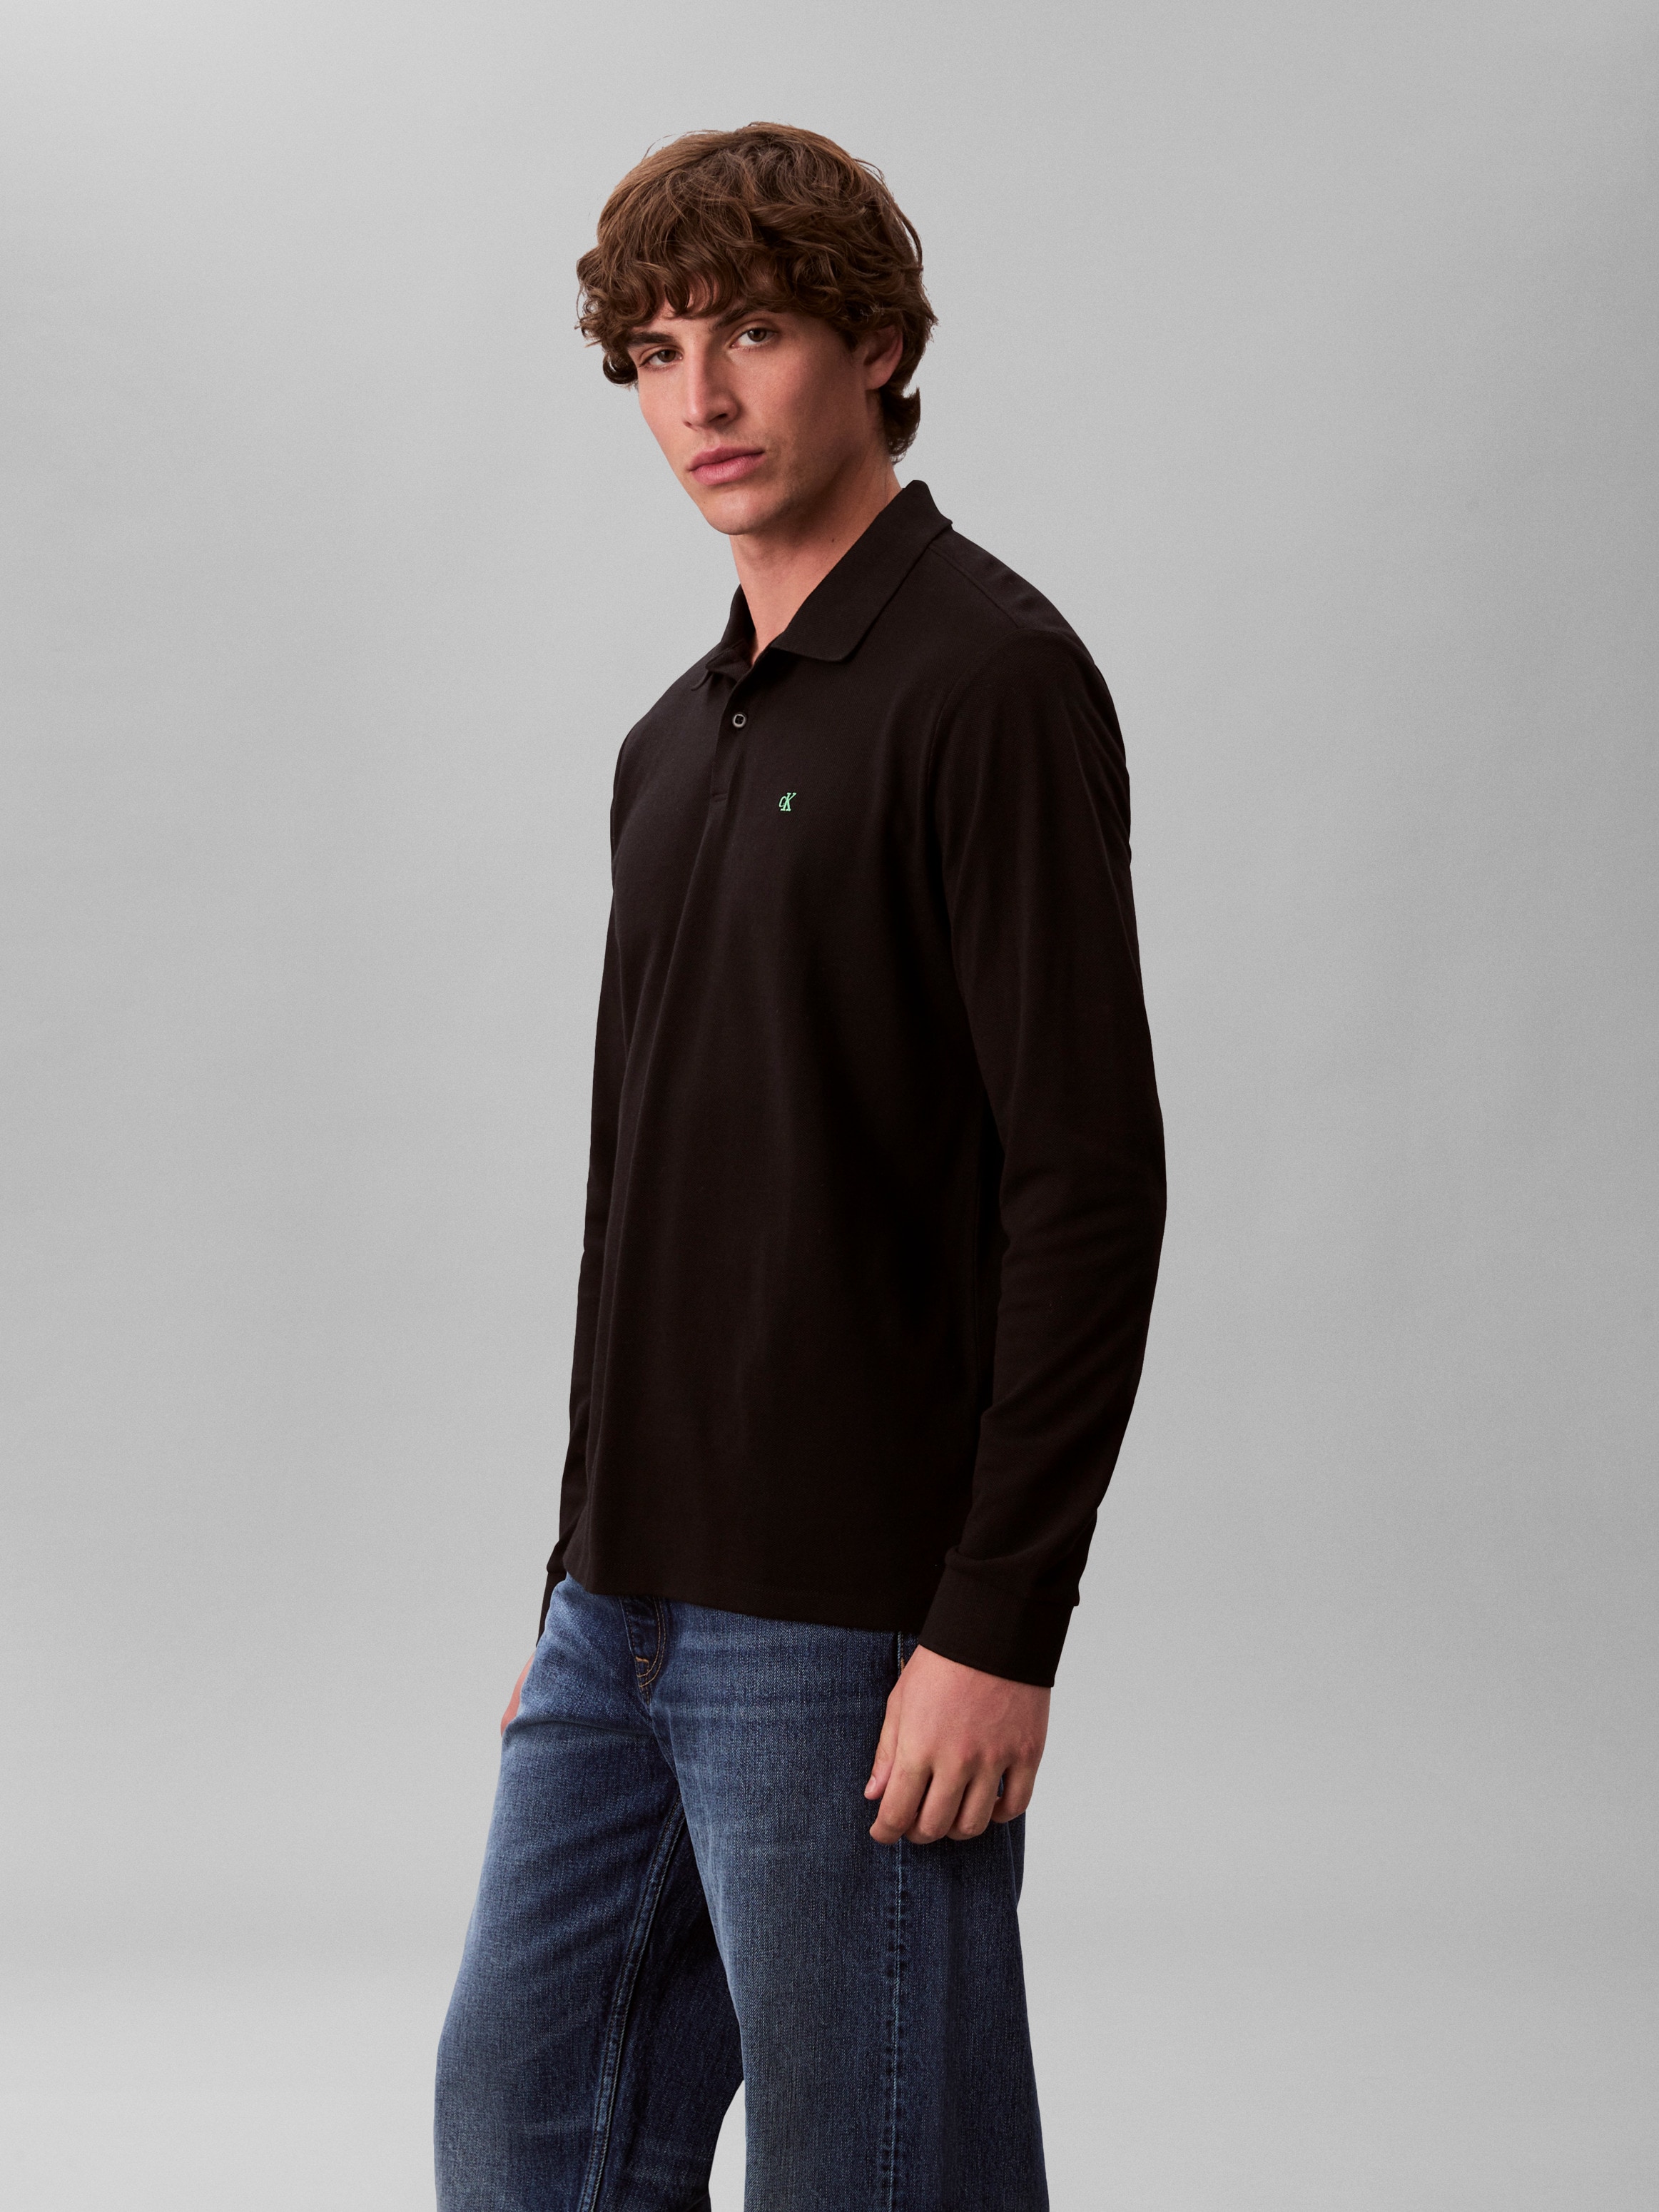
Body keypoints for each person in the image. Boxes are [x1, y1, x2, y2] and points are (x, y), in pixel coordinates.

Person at [435, 122, 1165, 2211]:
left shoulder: (990, 681)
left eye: (753, 332)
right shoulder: (672, 744)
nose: (703, 398)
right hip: (624, 1612)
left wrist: (999, 1619)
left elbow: (1086, 1180)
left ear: (878, 347)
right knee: (521, 2129)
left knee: (877, 2171)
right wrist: (578, 1573)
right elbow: (648, 1200)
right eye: (659, 352)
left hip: (853, 1620)